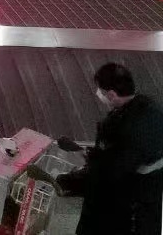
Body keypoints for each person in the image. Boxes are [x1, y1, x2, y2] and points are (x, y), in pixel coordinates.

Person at [57, 63, 163, 235]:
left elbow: (108, 174)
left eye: (100, 90)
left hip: (123, 212)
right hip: (149, 205)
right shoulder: (151, 109)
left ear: (111, 94)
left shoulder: (121, 127)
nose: (98, 93)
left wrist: (69, 180)